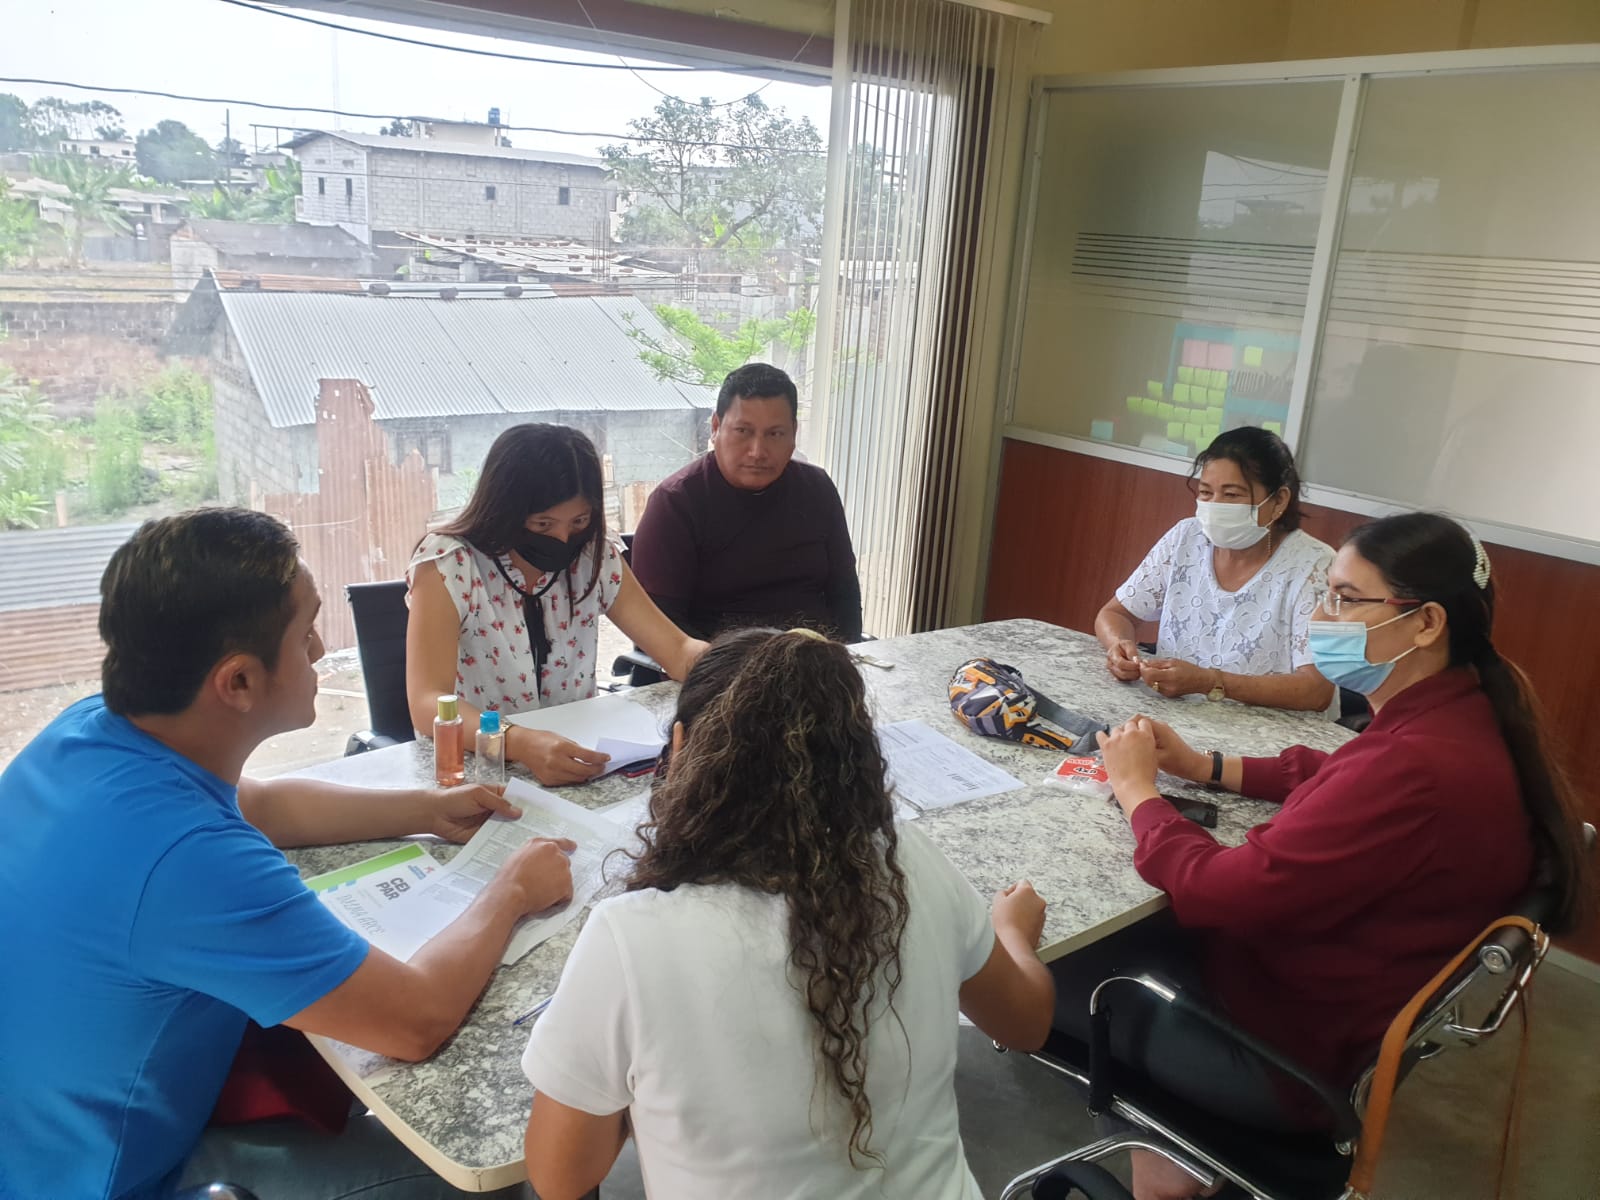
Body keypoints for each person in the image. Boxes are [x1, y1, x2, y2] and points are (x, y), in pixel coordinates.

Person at [0, 509, 577, 1200]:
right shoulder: (188, 860)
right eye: (305, 632)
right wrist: (510, 891)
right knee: (487, 1171)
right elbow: (415, 1022)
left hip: (38, 1130)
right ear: (239, 682)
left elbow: (261, 805)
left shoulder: (90, 731)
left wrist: (424, 810)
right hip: (113, 1176)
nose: (321, 648)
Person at [1061, 512, 1591, 1200]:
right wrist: (1205, 765)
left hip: (1279, 1058)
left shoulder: (1417, 768)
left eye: (1343, 598)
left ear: (1426, 622)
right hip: (1333, 1016)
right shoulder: (1467, 713)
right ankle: (1170, 1156)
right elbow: (1338, 770)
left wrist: (1137, 790)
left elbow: (1218, 891)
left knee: (1044, 958)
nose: (1319, 616)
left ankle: (1167, 1157)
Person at [520, 628, 1056, 1199]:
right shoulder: (909, 863)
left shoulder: (632, 938)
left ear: (680, 749)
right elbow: (1026, 1024)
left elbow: (560, 1177)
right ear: (857, 761)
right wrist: (1009, 934)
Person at [407, 423, 706, 786]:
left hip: (576, 756)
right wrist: (520, 743)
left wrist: (743, 665)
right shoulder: (451, 563)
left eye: (579, 521)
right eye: (543, 524)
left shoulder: (593, 555)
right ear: (504, 511)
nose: (563, 538)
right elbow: (427, 701)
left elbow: (677, 649)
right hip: (477, 766)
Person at [1095, 426, 1336, 715]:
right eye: (1206, 493)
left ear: (1279, 501)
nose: (1215, 506)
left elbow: (1316, 690)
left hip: (1267, 735)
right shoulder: (1186, 537)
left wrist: (1211, 683)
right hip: (1176, 717)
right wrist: (1120, 646)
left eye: (1231, 495)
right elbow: (1115, 613)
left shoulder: (1315, 565)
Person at [630, 362, 864, 643]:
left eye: (775, 434)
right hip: (715, 662)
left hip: (816, 657)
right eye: (743, 431)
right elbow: (659, 626)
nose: (757, 451)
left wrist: (845, 655)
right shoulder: (676, 502)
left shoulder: (817, 488)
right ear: (716, 428)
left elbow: (845, 593)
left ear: (793, 433)